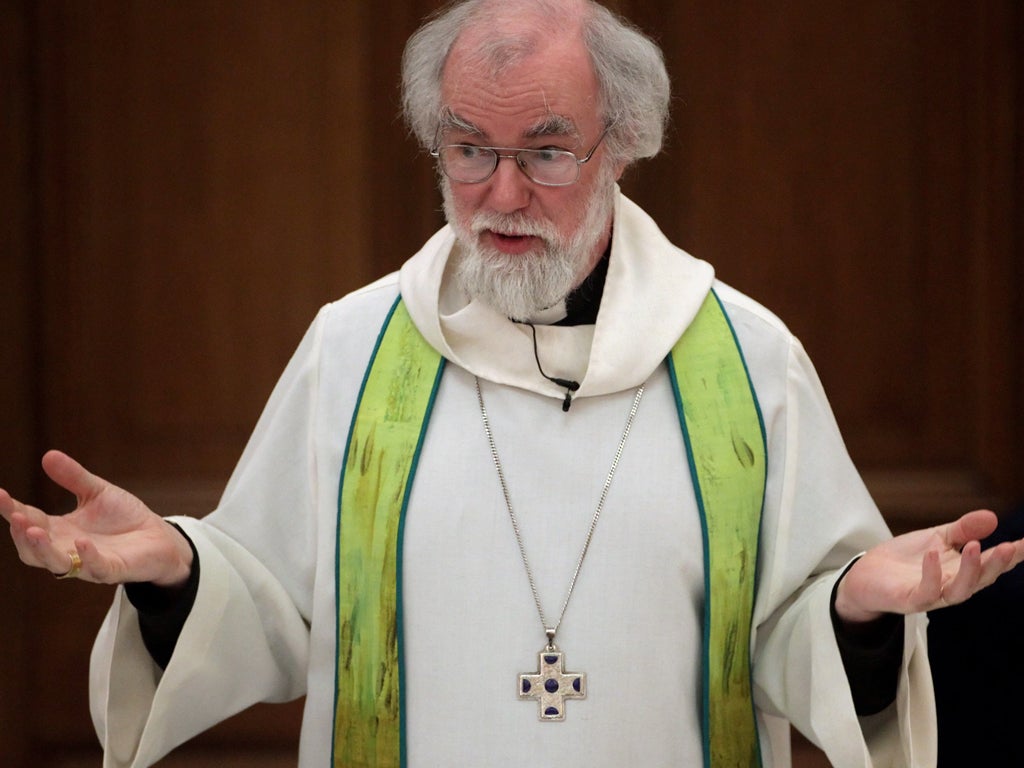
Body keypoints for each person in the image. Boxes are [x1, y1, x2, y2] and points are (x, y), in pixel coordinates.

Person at [3, 1, 1022, 766]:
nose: (498, 192)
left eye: (543, 152)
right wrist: (177, 566)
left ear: (623, 145)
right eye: (467, 149)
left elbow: (789, 635)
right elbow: (270, 606)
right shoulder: (356, 349)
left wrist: (854, 604)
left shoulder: (745, 361)